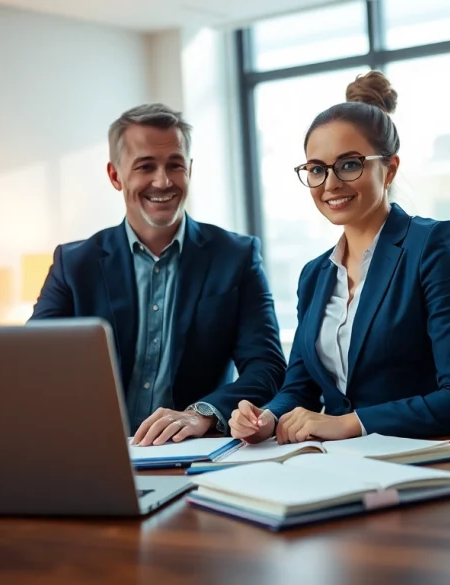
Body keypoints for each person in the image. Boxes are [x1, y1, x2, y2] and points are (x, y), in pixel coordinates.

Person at [229, 71, 450, 444]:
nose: (331, 183)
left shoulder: (432, 246)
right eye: (317, 169)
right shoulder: (315, 275)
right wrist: (268, 417)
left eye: (349, 164)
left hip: (432, 461)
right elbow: (300, 387)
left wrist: (349, 423)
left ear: (389, 169)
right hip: (345, 465)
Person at [30, 103, 286, 446]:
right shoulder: (74, 264)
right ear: (115, 175)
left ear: (190, 170)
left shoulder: (236, 257)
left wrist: (203, 413)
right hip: (95, 449)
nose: (163, 181)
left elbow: (268, 367)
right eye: (145, 166)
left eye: (175, 165)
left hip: (193, 453)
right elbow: (31, 365)